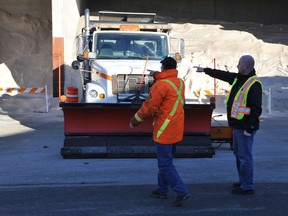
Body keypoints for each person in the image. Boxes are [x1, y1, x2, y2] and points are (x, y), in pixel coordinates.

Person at [194, 55, 263, 195]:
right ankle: (243, 181)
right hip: (237, 125)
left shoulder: (253, 84)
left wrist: (249, 128)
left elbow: (256, 109)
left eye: (239, 64)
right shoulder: (239, 78)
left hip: (245, 128)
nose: (237, 66)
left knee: (245, 157)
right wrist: (205, 70)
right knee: (239, 155)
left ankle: (248, 186)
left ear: (244, 66)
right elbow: (223, 75)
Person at [130, 56, 191, 206]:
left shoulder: (160, 86)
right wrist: (157, 75)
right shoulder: (180, 83)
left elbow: (149, 107)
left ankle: (182, 192)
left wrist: (135, 120)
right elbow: (168, 84)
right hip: (176, 128)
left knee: (165, 164)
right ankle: (162, 190)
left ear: (163, 68)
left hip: (164, 129)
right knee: (166, 161)